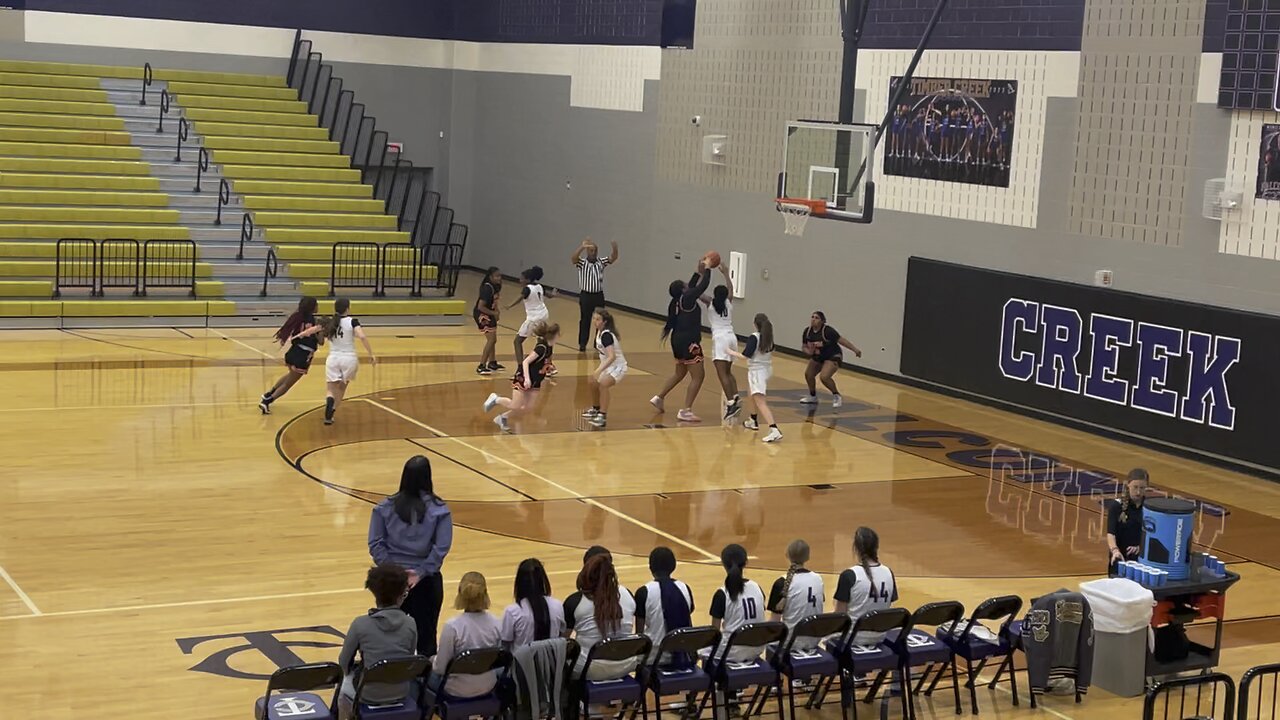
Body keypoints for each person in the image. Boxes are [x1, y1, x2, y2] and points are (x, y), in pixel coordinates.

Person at [368, 455, 454, 657]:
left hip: (391, 582)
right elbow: (441, 548)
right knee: (426, 639)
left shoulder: (384, 508)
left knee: (388, 635)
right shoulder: (440, 510)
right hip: (425, 582)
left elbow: (375, 544)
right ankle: (424, 686)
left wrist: (395, 573)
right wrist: (420, 572)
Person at [337, 564, 418, 720]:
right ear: (402, 594)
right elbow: (409, 658)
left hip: (368, 694)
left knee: (343, 685)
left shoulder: (360, 624)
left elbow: (344, 663)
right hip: (401, 690)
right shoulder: (411, 623)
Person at [651, 257, 713, 422]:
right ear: (683, 289)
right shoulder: (687, 298)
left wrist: (696, 272)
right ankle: (686, 410)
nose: (688, 285)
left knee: (680, 373)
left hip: (676, 341)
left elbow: (692, 286)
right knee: (699, 376)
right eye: (686, 284)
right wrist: (707, 269)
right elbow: (702, 286)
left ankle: (659, 397)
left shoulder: (675, 302)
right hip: (689, 342)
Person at [564, 552, 638, 679]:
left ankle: (570, 698)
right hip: (626, 664)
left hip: (590, 669)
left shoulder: (574, 602)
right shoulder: (628, 594)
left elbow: (562, 641)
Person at [430, 572, 503, 699]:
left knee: (421, 678)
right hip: (489, 685)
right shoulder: (497, 623)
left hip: (457, 690)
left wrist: (432, 660)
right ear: (486, 594)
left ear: (460, 594)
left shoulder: (452, 627)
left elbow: (440, 669)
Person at [483, 322, 560, 432]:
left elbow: (542, 362)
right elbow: (525, 362)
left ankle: (502, 418)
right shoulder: (541, 348)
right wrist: (527, 378)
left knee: (528, 408)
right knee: (515, 405)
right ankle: (496, 399)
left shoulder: (549, 347)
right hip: (524, 378)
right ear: (554, 335)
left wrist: (548, 366)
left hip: (536, 380)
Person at [834, 527, 897, 645]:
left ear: (856, 548)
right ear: (876, 547)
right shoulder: (888, 572)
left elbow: (840, 617)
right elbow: (887, 605)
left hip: (852, 639)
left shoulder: (849, 575)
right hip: (880, 636)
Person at [260, 296, 322, 415]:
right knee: (289, 383)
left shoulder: (298, 316)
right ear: (312, 307)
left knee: (289, 376)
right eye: (316, 305)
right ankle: (268, 401)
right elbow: (320, 341)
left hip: (293, 351)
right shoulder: (314, 321)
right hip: (303, 355)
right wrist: (322, 330)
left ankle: (269, 394)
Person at [634, 547, 694, 662]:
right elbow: (688, 621)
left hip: (654, 657)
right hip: (683, 655)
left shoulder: (644, 592)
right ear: (673, 566)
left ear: (650, 567)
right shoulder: (685, 588)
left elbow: (640, 635)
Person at [707, 543, 766, 663]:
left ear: (723, 564)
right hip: (757, 647)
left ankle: (712, 680)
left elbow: (715, 632)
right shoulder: (756, 587)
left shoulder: (722, 593)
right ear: (746, 563)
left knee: (703, 649)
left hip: (731, 651)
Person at [323, 297, 376, 425]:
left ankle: (329, 402)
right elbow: (362, 336)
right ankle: (333, 410)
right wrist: (371, 354)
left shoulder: (331, 322)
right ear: (348, 308)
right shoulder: (353, 321)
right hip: (349, 358)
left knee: (330, 389)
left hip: (333, 358)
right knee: (341, 388)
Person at [729, 313, 781, 443]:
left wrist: (729, 352)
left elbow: (745, 356)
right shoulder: (769, 338)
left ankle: (774, 429)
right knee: (750, 394)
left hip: (757, 372)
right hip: (766, 369)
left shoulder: (754, 337)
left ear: (755, 324)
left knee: (760, 401)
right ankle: (753, 420)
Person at [699, 263, 741, 420]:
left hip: (721, 339)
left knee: (721, 373)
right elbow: (731, 288)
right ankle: (735, 396)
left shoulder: (710, 302)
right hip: (732, 337)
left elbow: (698, 292)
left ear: (715, 294)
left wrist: (702, 274)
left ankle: (731, 403)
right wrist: (725, 273)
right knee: (728, 371)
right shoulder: (728, 302)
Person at [767, 540, 825, 649]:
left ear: (787, 555)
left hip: (790, 642)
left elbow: (774, 624)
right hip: (814, 640)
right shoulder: (818, 579)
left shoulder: (781, 583)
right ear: (808, 557)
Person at [501, 558, 566, 649]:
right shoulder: (557, 606)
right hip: (552, 662)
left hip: (522, 662)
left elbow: (505, 644)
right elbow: (561, 634)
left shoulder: (513, 611)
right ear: (543, 580)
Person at [800, 311, 861, 408]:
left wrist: (855, 350)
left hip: (832, 355)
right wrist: (808, 352)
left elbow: (842, 340)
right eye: (812, 317)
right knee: (808, 374)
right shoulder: (807, 331)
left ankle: (836, 395)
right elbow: (804, 346)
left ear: (822, 321)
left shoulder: (828, 331)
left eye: (816, 318)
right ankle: (813, 396)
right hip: (819, 356)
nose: (813, 319)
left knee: (824, 377)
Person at [572, 238, 619, 352]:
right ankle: (582, 343)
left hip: (598, 295)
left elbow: (613, 258)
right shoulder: (582, 263)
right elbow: (574, 259)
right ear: (588, 252)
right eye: (591, 251)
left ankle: (598, 342)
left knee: (601, 320)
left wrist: (614, 248)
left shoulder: (601, 262)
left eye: (595, 251)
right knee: (585, 319)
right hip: (586, 295)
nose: (593, 253)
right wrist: (582, 247)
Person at [582, 309, 627, 428]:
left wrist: (599, 370)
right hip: (608, 365)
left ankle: (602, 416)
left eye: (598, 319)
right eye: (594, 319)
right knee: (592, 381)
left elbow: (612, 356)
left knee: (603, 384)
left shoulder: (607, 335)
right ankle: (596, 409)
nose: (595, 322)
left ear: (604, 322)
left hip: (618, 366)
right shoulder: (599, 332)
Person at [507, 266, 553, 370]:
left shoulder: (527, 289)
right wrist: (554, 294)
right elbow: (549, 295)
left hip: (534, 317)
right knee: (544, 340)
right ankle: (548, 365)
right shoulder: (539, 286)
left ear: (528, 279)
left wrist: (509, 305)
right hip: (544, 314)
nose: (520, 280)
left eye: (522, 278)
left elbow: (519, 298)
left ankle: (520, 368)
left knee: (517, 341)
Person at [1107, 468, 1150, 576]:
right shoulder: (1116, 506)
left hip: (1141, 561)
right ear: (1128, 485)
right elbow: (1110, 533)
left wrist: (1141, 548)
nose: (1138, 492)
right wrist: (1115, 551)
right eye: (1135, 487)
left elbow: (1153, 535)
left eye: (1142, 488)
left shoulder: (1150, 508)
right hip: (1120, 557)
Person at [474, 267, 504, 376]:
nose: (499, 278)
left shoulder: (496, 287)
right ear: (490, 277)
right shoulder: (487, 288)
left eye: (500, 276)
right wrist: (493, 313)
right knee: (491, 340)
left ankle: (492, 362)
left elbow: (494, 302)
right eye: (496, 276)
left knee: (493, 339)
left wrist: (497, 312)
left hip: (489, 313)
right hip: (482, 314)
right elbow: (480, 306)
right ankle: (481, 365)